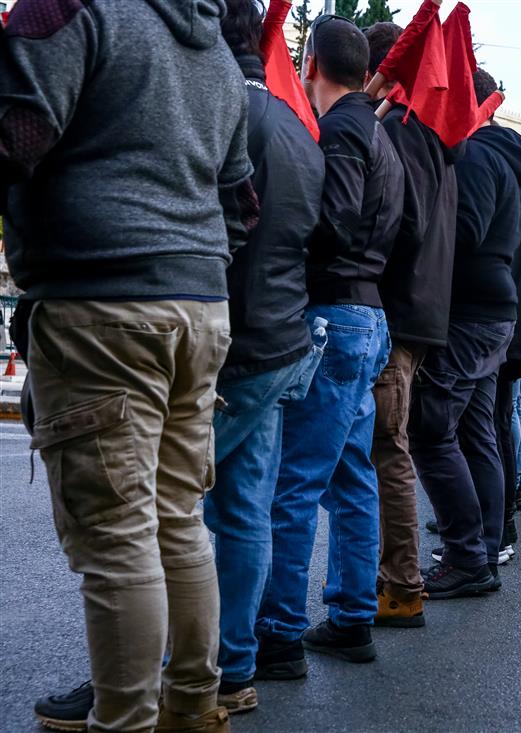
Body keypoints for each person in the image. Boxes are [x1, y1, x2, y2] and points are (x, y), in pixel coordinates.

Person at [3, 0, 255, 728]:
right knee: (177, 518)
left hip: (101, 299)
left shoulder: (68, 11)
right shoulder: (210, 41)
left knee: (117, 535)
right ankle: (192, 706)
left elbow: (16, 139)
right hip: (199, 301)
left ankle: (124, 721)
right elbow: (240, 198)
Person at [255, 15, 402, 675]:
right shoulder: (379, 134)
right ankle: (348, 615)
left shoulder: (341, 128)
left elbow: (334, 218)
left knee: (295, 481)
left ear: (308, 63)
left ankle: (278, 633)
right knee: (349, 476)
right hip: (368, 316)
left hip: (335, 315)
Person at [203, 0, 327, 713]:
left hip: (229, 340)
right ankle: (233, 666)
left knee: (157, 504)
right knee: (244, 506)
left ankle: (166, 665)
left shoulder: (223, 110)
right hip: (280, 338)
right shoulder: (299, 131)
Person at [409, 68, 521, 599]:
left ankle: (467, 555)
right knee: (475, 431)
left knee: (432, 431)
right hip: (490, 312)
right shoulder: (499, 157)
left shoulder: (479, 155)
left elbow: (462, 233)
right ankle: (481, 547)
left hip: (469, 314)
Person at [363, 20, 461, 629]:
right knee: (386, 447)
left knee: (385, 449)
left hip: (395, 311)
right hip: (420, 312)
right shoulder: (428, 135)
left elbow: (397, 224)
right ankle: (384, 578)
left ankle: (400, 584)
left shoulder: (397, 131)